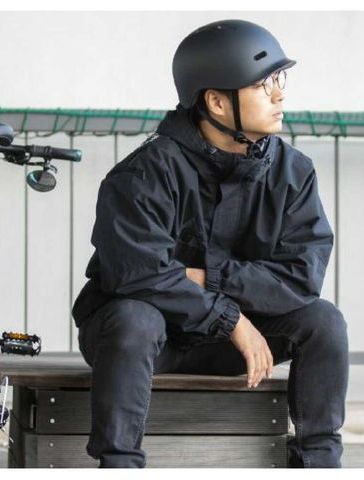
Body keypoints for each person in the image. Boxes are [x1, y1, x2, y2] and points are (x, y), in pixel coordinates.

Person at [72, 19, 349, 468]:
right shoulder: (144, 173)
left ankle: (319, 465)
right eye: (262, 85)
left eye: (279, 80)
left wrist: (210, 279)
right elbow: (138, 275)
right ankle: (120, 465)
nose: (279, 96)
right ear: (217, 102)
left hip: (231, 346)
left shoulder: (294, 172)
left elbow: (301, 277)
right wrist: (232, 319)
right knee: (135, 317)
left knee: (324, 321)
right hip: (143, 341)